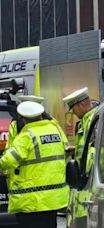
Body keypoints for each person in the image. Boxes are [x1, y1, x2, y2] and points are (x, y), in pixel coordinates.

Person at [0, 101, 69, 228]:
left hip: (32, 199)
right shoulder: (55, 130)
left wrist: (0, 166)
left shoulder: (27, 136)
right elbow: (66, 149)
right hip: (53, 198)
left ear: (24, 119)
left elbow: (8, 160)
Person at [63, 87, 98, 226]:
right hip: (86, 185)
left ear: (81, 104)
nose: (73, 113)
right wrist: (75, 150)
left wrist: (82, 174)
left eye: (73, 108)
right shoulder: (87, 120)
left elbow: (94, 150)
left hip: (89, 184)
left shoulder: (92, 121)